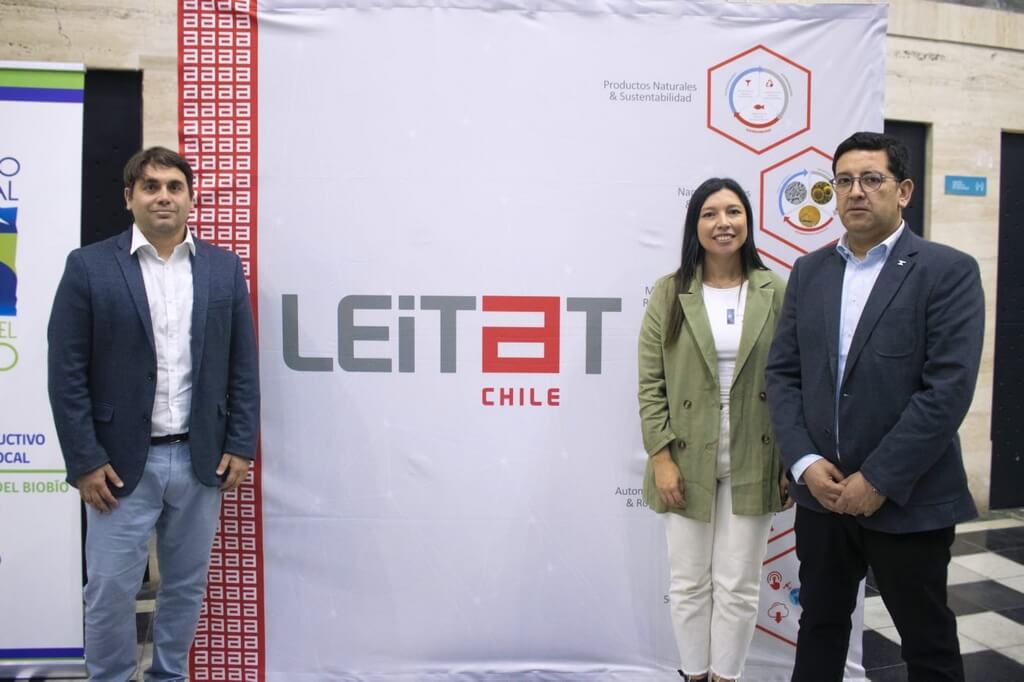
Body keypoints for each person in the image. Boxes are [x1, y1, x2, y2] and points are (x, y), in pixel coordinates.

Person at [765, 131, 984, 682]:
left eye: (871, 179)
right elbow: (783, 375)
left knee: (927, 642)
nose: (855, 191)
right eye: (844, 181)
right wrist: (804, 463)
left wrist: (879, 478)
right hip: (823, 499)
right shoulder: (810, 271)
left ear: (903, 190)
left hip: (910, 497)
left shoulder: (947, 271)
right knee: (819, 629)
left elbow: (947, 390)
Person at [47, 146, 260, 681]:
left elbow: (242, 362)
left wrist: (240, 444)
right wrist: (84, 461)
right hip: (117, 467)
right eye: (150, 186)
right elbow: (66, 372)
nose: (163, 196)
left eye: (173, 187)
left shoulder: (222, 268)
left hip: (200, 460)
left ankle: (169, 675)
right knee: (109, 590)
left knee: (185, 587)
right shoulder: (89, 266)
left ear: (191, 199)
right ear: (129, 198)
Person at [638, 177, 790, 682]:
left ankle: (727, 677)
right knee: (688, 583)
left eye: (733, 212)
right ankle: (694, 674)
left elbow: (794, 379)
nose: (723, 223)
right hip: (684, 457)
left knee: (739, 585)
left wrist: (789, 460)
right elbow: (651, 383)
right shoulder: (671, 291)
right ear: (695, 225)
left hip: (755, 455)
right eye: (710, 213)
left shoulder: (775, 290)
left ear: (748, 221)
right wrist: (661, 457)